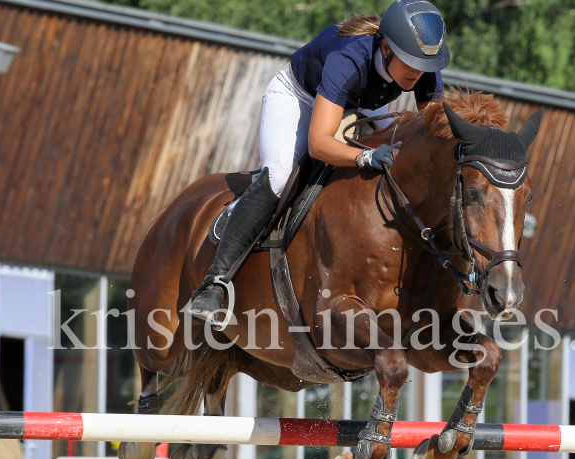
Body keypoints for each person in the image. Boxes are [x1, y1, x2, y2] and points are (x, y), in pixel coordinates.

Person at [189, 0, 451, 322]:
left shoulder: (423, 68)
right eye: (410, 62)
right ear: (385, 47)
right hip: (300, 97)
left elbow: (430, 138)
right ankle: (214, 282)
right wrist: (365, 155)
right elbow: (319, 144)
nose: (417, 72)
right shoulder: (349, 60)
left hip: (363, 101)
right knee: (281, 177)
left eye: (423, 65)